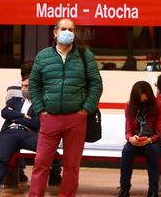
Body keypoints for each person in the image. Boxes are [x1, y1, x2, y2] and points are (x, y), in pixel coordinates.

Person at [28, 18, 103, 197]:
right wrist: (41, 110)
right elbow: (34, 84)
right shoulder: (43, 56)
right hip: (49, 118)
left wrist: (85, 109)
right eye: (63, 29)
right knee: (41, 163)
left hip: (76, 119)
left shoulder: (85, 56)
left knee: (71, 166)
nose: (67, 32)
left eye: (70, 29)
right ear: (55, 32)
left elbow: (96, 84)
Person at [0, 78, 40, 197]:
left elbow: (36, 123)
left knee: (45, 150)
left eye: (27, 86)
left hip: (28, 134)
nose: (24, 89)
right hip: (9, 133)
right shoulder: (14, 100)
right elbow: (4, 112)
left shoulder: (39, 104)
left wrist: (14, 118)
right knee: (1, 159)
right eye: (22, 86)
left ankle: (38, 187)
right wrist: (23, 116)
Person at [118, 81, 161, 197]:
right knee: (127, 151)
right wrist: (131, 138)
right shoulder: (129, 106)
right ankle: (124, 188)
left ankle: (153, 190)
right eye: (139, 100)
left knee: (153, 151)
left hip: (153, 141)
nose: (142, 102)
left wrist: (149, 140)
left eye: (145, 100)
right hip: (136, 141)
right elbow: (128, 130)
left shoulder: (159, 105)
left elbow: (160, 132)